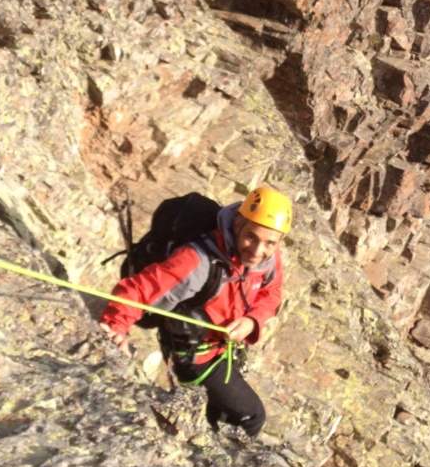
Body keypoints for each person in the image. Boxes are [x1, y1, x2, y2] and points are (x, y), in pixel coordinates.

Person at [98, 187, 291, 438]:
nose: (257, 250)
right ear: (238, 224)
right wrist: (116, 327)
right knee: (251, 417)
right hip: (195, 357)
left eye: (269, 243)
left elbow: (271, 293)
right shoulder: (197, 261)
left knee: (218, 416)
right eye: (251, 237)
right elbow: (140, 290)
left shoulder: (268, 259)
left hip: (224, 350)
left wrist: (253, 321)